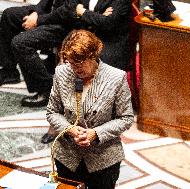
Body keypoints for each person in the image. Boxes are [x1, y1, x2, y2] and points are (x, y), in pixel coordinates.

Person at [0, 0, 131, 108]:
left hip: (66, 23)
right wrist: (36, 12)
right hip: (57, 14)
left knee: (21, 42)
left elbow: (69, 11)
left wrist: (39, 20)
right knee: (10, 15)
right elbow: (66, 7)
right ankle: (8, 72)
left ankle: (46, 89)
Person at [46, 29, 134, 189]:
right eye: (71, 63)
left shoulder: (116, 78)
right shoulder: (61, 73)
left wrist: (96, 133)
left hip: (103, 159)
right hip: (68, 157)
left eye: (79, 63)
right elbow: (52, 112)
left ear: (93, 56)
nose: (75, 69)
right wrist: (70, 129)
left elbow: (126, 118)